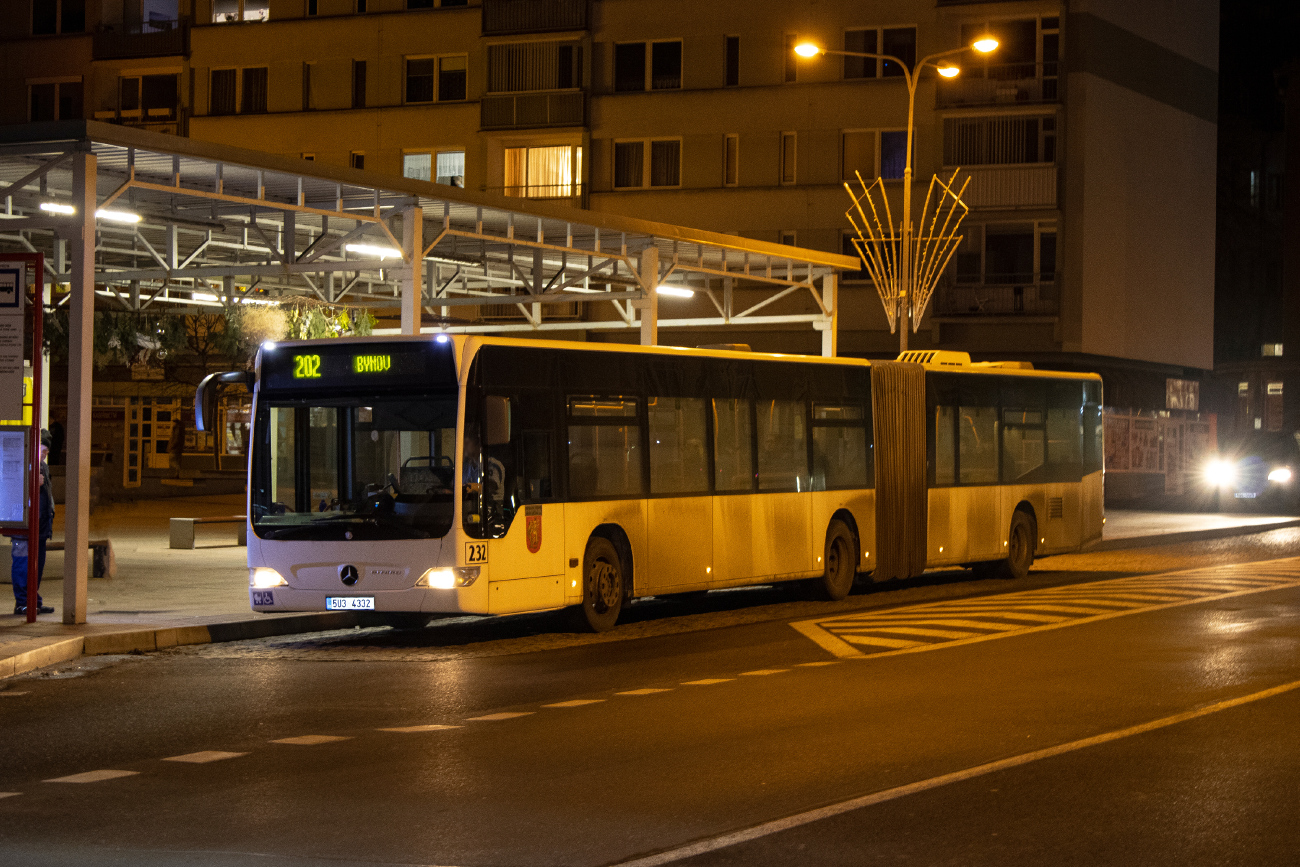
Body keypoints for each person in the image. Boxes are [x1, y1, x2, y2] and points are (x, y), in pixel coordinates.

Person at [12, 429, 56, 616]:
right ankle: (23, 602)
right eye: (42, 450)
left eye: (46, 452)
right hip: (24, 524)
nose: (44, 455)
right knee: (23, 562)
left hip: (41, 524)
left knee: (37, 563)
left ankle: (33, 601)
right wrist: (31, 482)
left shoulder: (42, 466)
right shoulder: (21, 463)